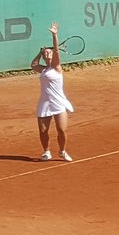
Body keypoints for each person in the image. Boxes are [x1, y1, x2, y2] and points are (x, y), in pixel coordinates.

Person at [31, 26, 74, 162]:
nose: (48, 54)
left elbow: (56, 50)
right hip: (44, 103)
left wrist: (54, 35)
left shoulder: (56, 67)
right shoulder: (43, 70)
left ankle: (62, 151)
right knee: (43, 131)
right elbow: (33, 65)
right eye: (46, 53)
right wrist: (40, 52)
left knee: (61, 129)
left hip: (58, 103)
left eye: (50, 53)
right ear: (44, 57)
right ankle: (46, 152)